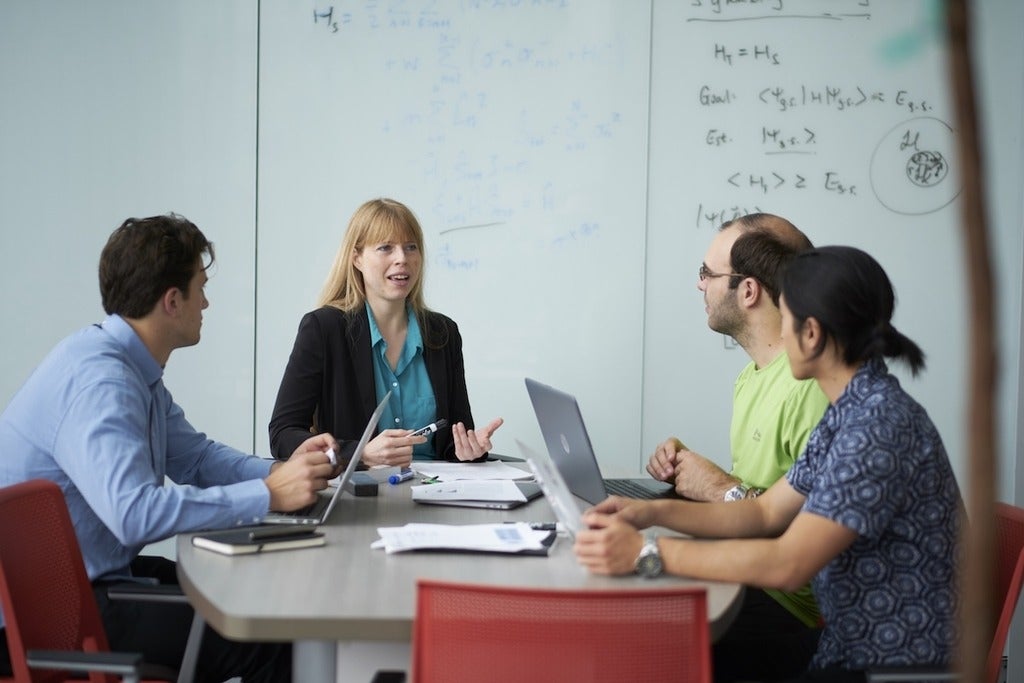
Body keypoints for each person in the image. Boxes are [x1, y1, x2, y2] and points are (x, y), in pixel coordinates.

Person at [575, 246, 963, 683]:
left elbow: (788, 564)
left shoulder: (876, 426)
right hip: (853, 644)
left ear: (811, 333)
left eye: (786, 320)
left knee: (669, 663)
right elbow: (764, 511)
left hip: (897, 662)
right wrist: (647, 512)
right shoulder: (852, 406)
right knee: (676, 657)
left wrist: (646, 554)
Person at [0, 214, 342, 682]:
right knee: (272, 637)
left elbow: (196, 458)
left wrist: (280, 471)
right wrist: (269, 495)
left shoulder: (130, 368)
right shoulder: (103, 381)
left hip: (81, 583)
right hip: (52, 614)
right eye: (200, 287)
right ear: (172, 301)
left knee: (251, 596)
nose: (207, 301)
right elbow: (134, 512)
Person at [647, 214, 830, 679]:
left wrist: (719, 490)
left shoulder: (811, 388)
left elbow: (809, 547)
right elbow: (764, 502)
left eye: (707, 273)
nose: (699, 285)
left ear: (748, 291)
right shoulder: (751, 378)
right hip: (758, 573)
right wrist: (688, 478)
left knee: (644, 632)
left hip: (792, 607)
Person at [269, 197, 502, 467]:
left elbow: (453, 440)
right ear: (356, 258)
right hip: (360, 497)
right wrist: (360, 453)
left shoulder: (443, 333)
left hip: (436, 494)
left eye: (410, 247)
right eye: (385, 248)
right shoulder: (324, 329)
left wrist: (469, 449)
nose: (402, 259)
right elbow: (282, 435)